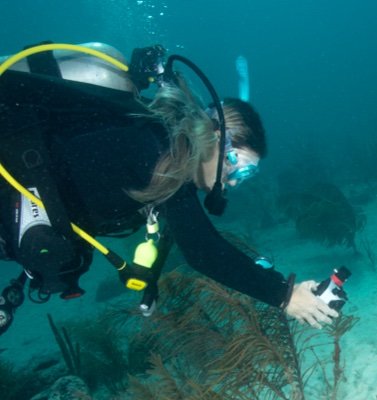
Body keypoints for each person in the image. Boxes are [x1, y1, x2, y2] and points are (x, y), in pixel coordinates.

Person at [0, 41, 338, 335]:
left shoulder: (158, 142)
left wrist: (149, 283)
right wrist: (284, 295)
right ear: (218, 139)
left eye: (247, 176)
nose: (234, 182)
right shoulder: (162, 149)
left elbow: (175, 229)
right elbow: (203, 250)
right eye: (241, 167)